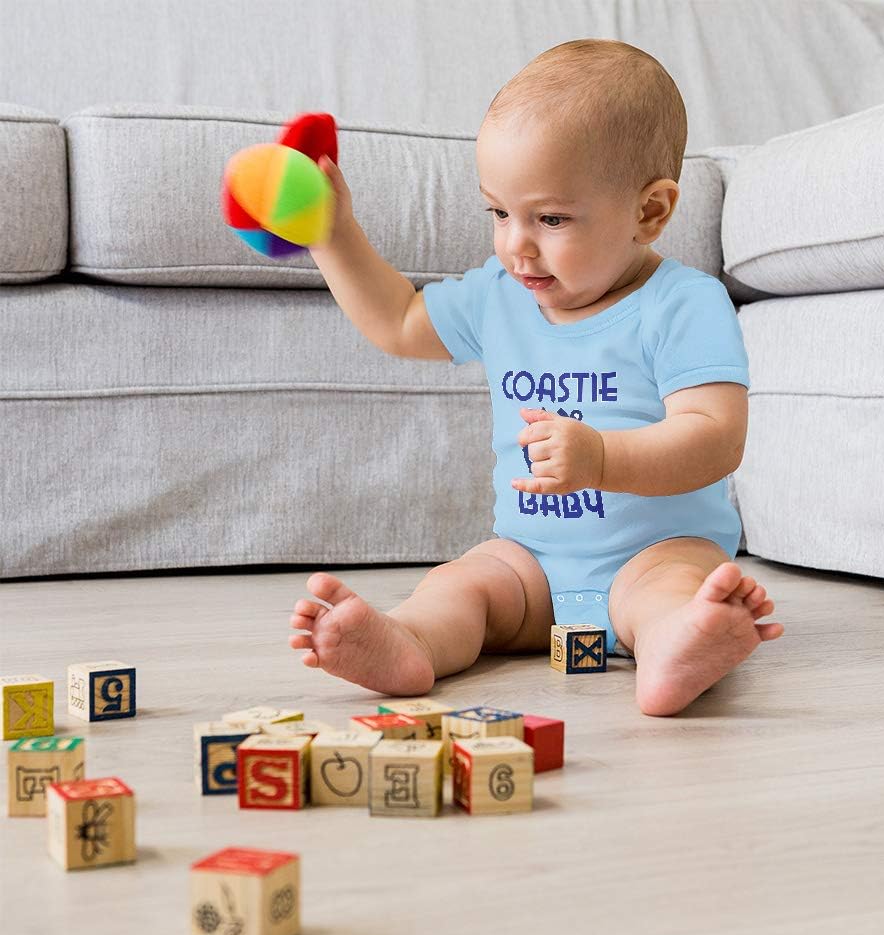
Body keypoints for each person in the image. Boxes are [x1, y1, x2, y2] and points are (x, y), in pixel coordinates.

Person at [288, 39, 784, 716]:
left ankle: (675, 642)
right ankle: (409, 641)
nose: (516, 244)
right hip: (531, 562)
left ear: (650, 211)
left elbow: (717, 436)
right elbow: (401, 321)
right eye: (499, 212)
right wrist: (332, 235)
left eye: (550, 219)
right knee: (462, 585)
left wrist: (602, 455)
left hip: (658, 553)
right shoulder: (502, 294)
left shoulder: (683, 302)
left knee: (668, 591)